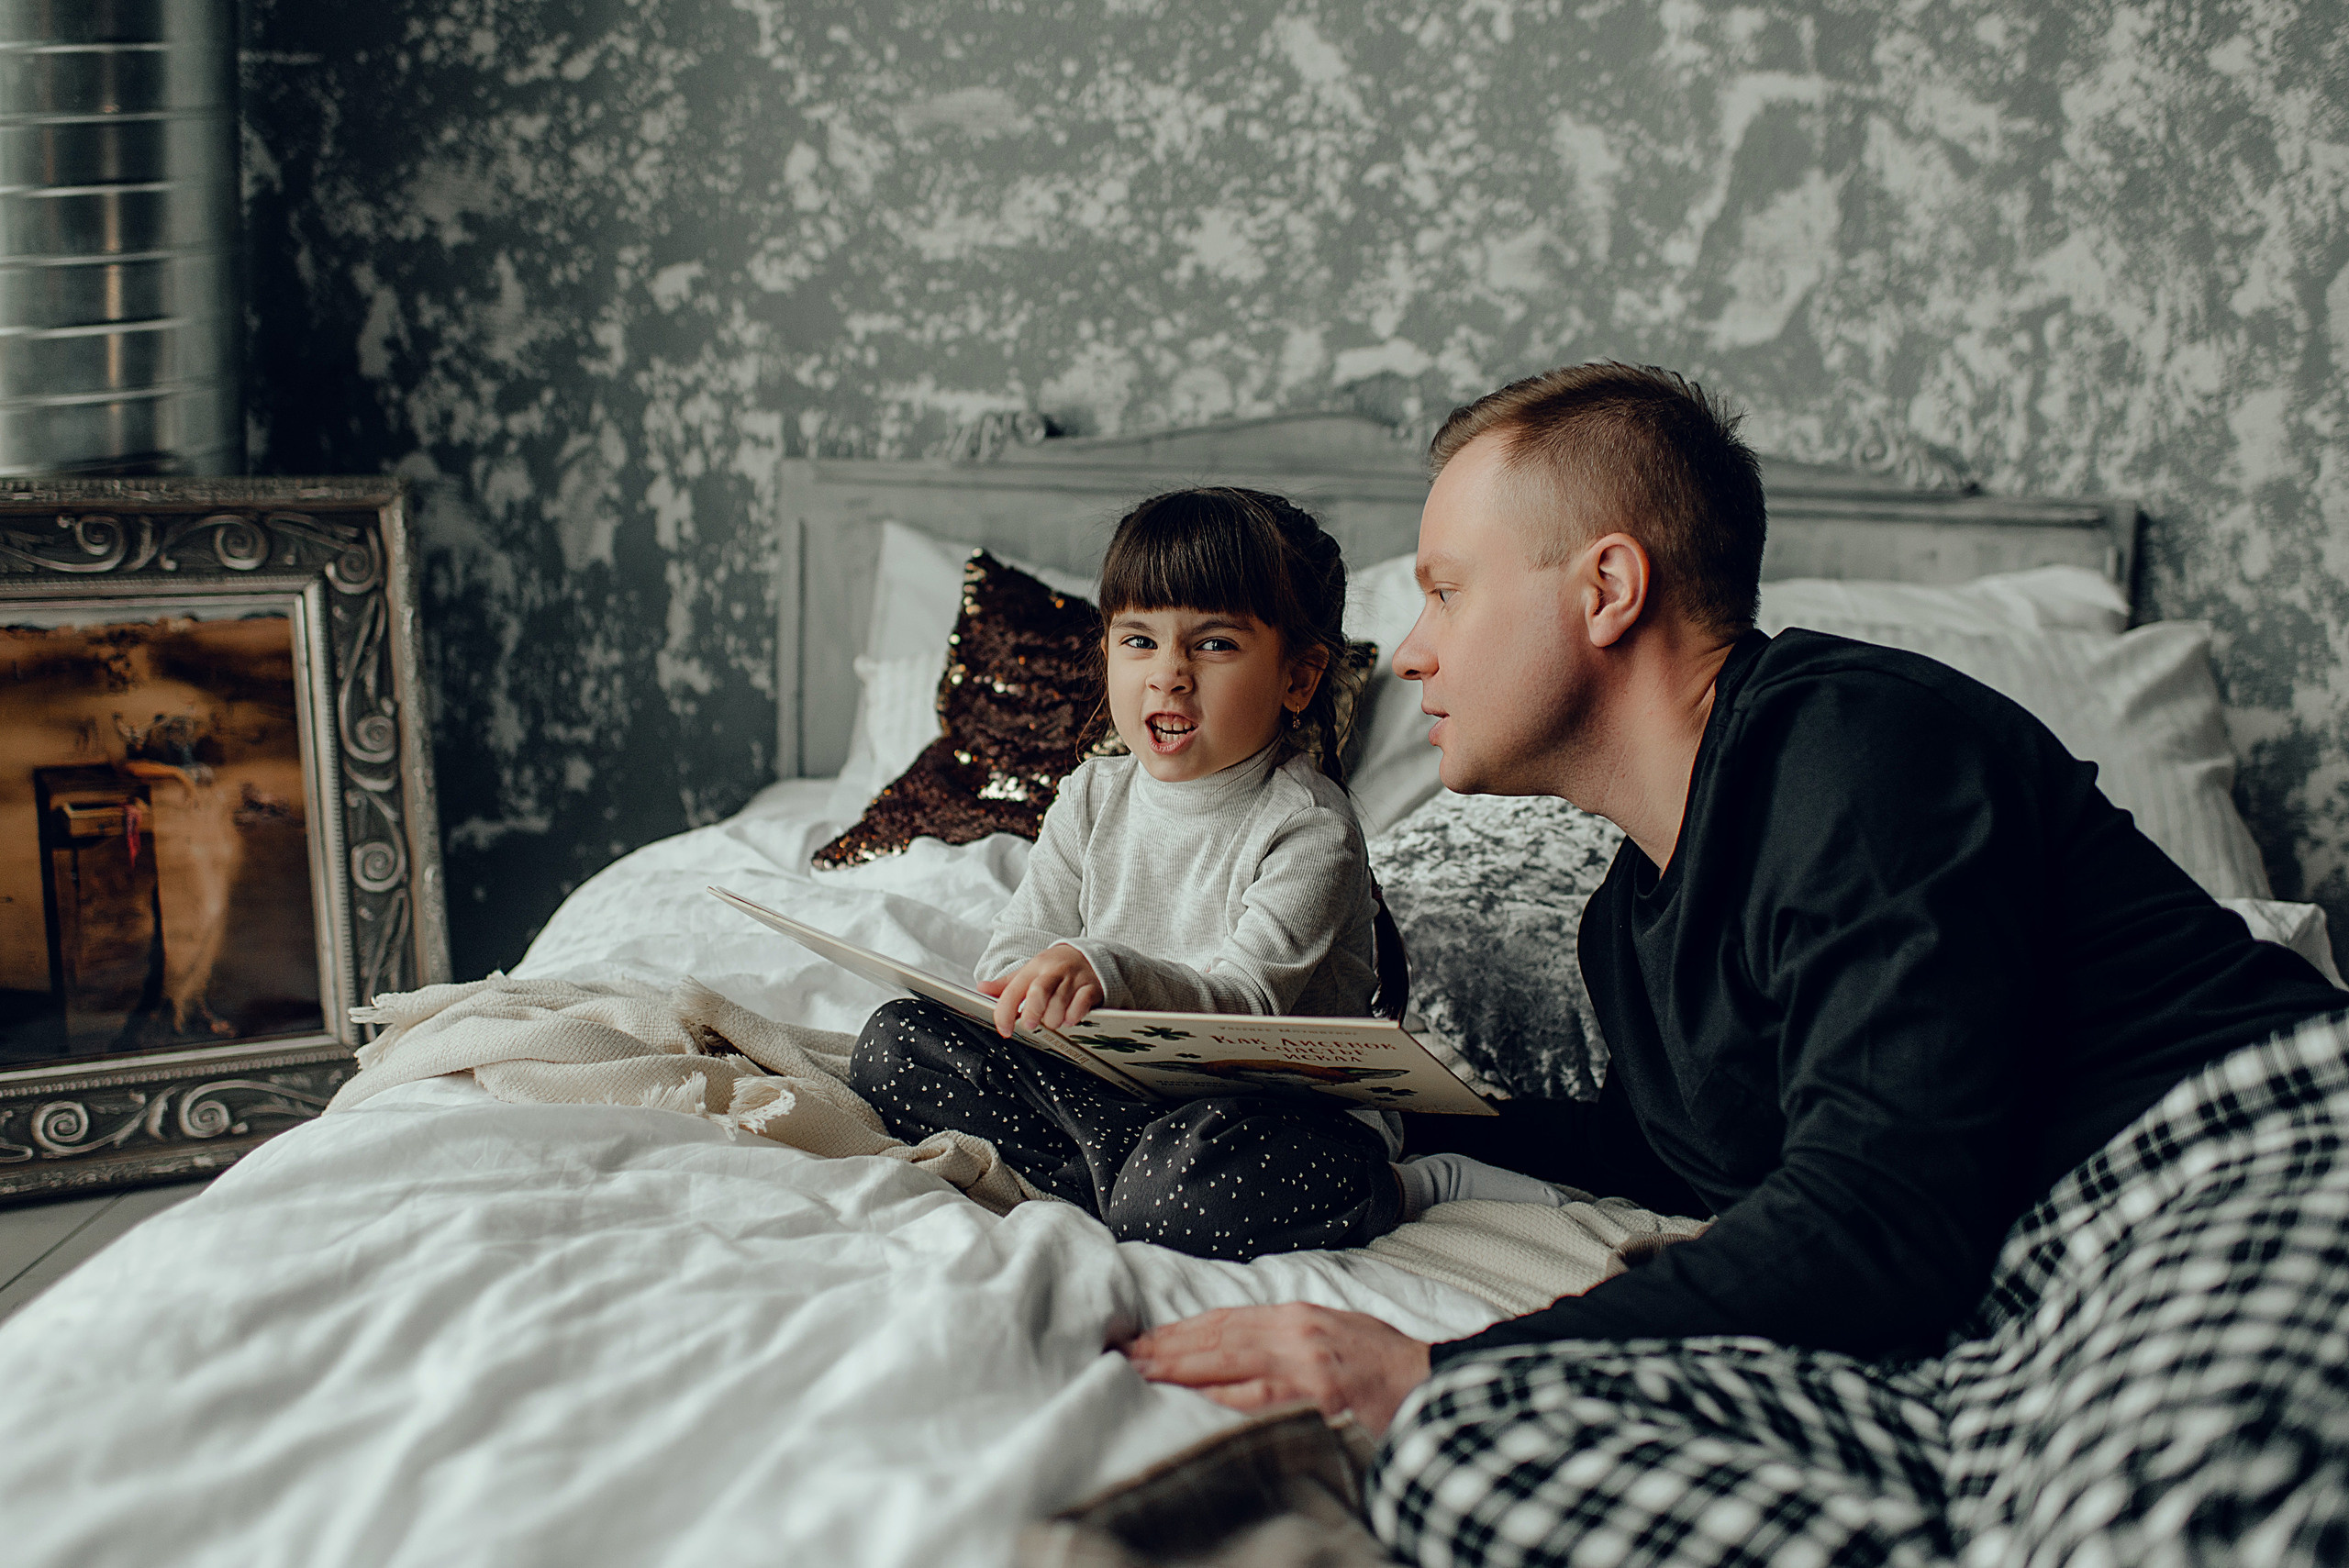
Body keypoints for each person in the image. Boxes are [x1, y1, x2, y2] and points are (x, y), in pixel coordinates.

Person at [1121, 363, 2347, 1438]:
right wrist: (1361, 1102)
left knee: (1460, 1415)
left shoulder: (1858, 745)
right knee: (1466, 1461)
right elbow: (1677, 1155)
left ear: (1608, 588)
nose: (1419, 649)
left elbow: (1878, 1218)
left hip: (2239, 1159)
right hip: (2034, 1284)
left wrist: (1444, 1369)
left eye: (1447, 590)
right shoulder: (1633, 919)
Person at [849, 485, 1564, 1262]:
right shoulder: (1091, 793)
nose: (1169, 675)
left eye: (1214, 644)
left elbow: (1244, 1007)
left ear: (1298, 678)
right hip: (1124, 1100)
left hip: (1266, 1110)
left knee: (1183, 1184)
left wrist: (1102, 968)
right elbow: (1006, 962)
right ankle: (1124, 1180)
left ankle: (1403, 1185)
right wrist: (1032, 987)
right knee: (895, 1042)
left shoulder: (1307, 825)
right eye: (1139, 641)